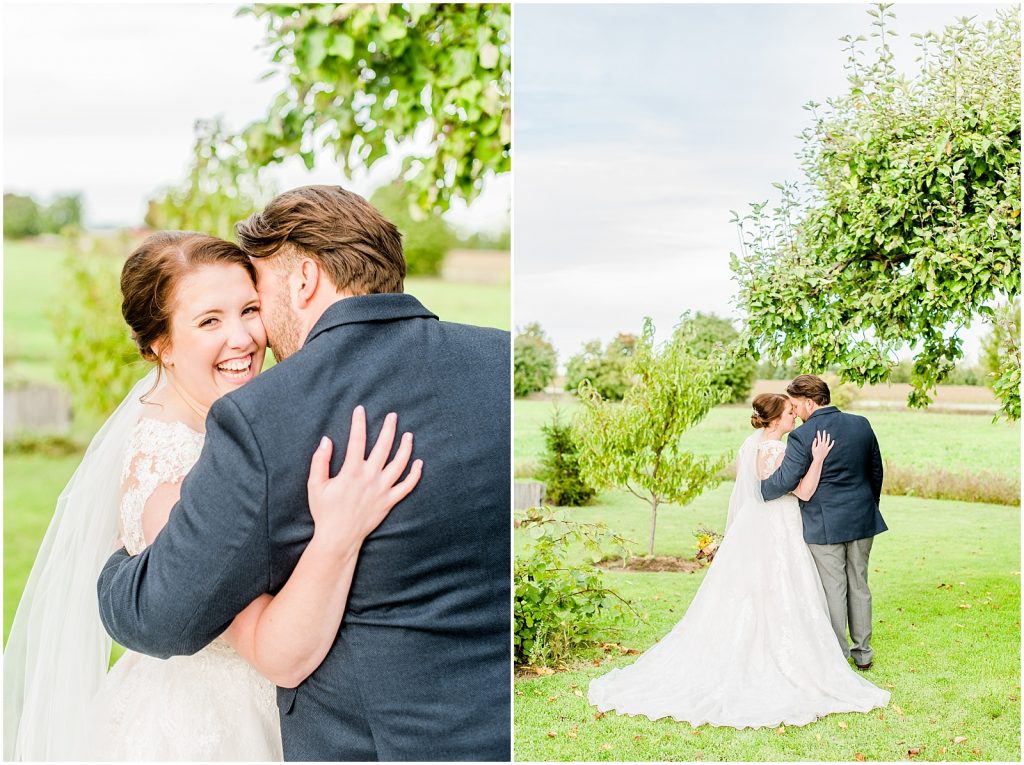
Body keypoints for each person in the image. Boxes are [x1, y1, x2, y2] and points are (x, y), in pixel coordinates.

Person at [96, 185, 511, 761]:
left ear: (305, 279)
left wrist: (117, 571)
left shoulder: (268, 416)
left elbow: (163, 617)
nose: (251, 330)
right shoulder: (502, 362)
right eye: (212, 319)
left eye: (255, 299)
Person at [4, 231, 422, 760]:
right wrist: (340, 531)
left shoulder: (241, 431)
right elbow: (279, 655)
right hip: (211, 733)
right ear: (163, 344)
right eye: (209, 321)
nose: (243, 338)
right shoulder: (170, 474)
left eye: (250, 309)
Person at [588, 393, 889, 728]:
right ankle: (816, 653)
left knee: (756, 588)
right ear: (776, 419)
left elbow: (750, 492)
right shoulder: (778, 447)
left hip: (755, 526)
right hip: (781, 526)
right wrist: (817, 458)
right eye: (790, 413)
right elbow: (800, 492)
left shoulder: (753, 445)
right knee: (789, 586)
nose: (795, 418)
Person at [761, 374, 887, 670]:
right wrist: (869, 506)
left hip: (824, 523)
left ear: (808, 402)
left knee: (833, 589)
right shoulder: (861, 424)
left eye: (795, 405)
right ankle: (863, 654)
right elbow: (876, 472)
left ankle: (837, 656)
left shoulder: (803, 435)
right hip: (862, 518)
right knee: (859, 584)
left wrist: (763, 488)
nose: (795, 411)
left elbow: (786, 480)